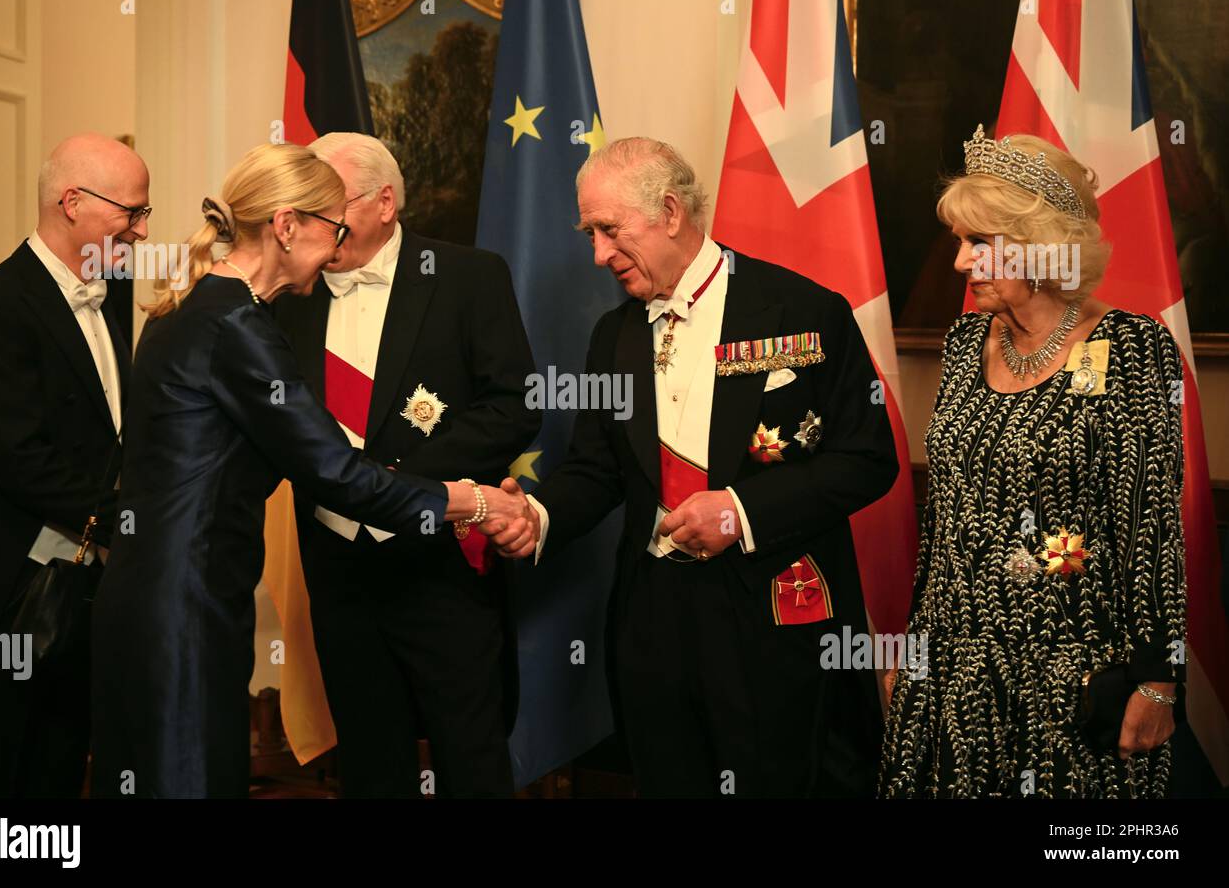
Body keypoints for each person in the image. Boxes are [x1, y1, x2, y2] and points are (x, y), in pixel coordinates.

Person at [89, 143, 529, 799]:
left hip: (171, 593)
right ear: (288, 226)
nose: (338, 247)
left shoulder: (199, 305)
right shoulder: (238, 323)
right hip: (186, 602)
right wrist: (472, 502)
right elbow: (335, 472)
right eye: (334, 229)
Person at [483, 137, 898, 798]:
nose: (597, 254)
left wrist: (741, 512)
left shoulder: (803, 311)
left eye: (610, 231)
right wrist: (536, 515)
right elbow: (597, 470)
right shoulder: (613, 335)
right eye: (590, 233)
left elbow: (868, 460)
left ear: (671, 212)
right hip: (654, 621)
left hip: (771, 612)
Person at [879, 126, 1186, 798]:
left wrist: (1160, 681)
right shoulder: (965, 343)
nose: (960, 262)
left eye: (979, 243)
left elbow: (1152, 529)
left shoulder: (1130, 349)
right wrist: (914, 642)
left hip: (1069, 672)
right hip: (953, 669)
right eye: (960, 242)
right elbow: (948, 516)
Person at [273, 132, 538, 798]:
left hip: (440, 562)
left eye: (324, 201)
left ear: (384, 201)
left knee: (470, 756)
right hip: (337, 569)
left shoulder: (469, 277)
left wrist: (397, 487)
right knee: (368, 761)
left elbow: (514, 406)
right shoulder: (288, 292)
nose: (309, 220)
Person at [0, 134, 148, 797]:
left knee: (59, 769)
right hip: (10, 592)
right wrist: (133, 524)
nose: (143, 230)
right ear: (71, 202)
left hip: (85, 590)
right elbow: (19, 459)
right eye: (131, 212)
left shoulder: (110, 292)